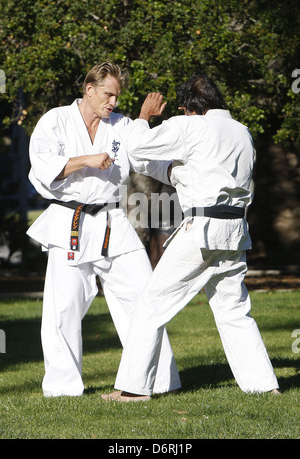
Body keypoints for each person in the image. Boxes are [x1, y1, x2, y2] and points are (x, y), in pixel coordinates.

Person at [104, 73, 280, 401]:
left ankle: (133, 390)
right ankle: (264, 386)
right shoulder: (242, 132)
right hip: (234, 233)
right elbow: (196, 171)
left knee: (151, 303)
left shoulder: (190, 126)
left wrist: (143, 118)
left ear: (189, 109)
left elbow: (138, 144)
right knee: (234, 310)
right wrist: (170, 171)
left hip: (200, 231)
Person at [26, 61, 181, 398]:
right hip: (70, 221)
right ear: (89, 89)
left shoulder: (121, 125)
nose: (112, 102)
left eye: (117, 96)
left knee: (143, 297)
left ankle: (156, 380)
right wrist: (87, 159)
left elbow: (145, 157)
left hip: (113, 221)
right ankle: (63, 388)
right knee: (64, 307)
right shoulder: (55, 121)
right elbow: (42, 167)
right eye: (108, 95)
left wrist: (176, 167)